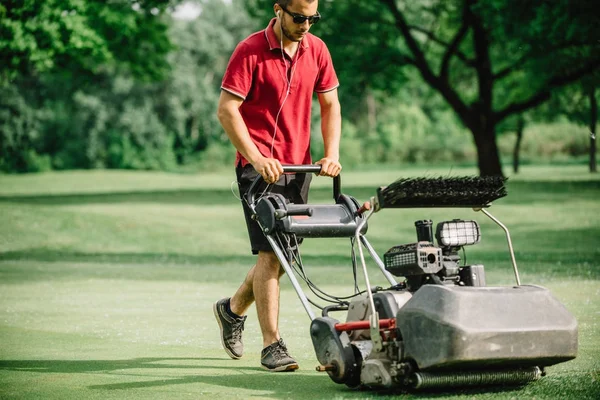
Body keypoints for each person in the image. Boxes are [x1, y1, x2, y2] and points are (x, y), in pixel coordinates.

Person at [213, 0, 342, 372]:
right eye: (298, 17)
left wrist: (330, 154)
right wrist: (255, 157)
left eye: (312, 18)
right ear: (279, 10)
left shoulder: (317, 49)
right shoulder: (250, 50)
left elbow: (330, 104)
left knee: (285, 254)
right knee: (271, 253)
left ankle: (232, 309)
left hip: (298, 168)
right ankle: (272, 345)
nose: (306, 25)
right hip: (258, 170)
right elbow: (227, 109)